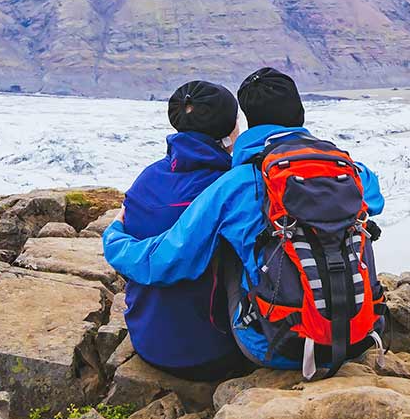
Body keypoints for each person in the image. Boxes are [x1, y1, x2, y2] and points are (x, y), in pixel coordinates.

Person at [103, 67, 385, 372]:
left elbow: (167, 259)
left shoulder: (237, 183)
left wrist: (114, 237)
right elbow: (375, 199)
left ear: (249, 122)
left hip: (278, 347)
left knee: (229, 239)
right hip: (360, 334)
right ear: (300, 113)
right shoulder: (349, 171)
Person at [115, 79, 248, 381]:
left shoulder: (146, 180)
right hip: (211, 354)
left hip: (147, 341)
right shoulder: (230, 187)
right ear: (230, 130)